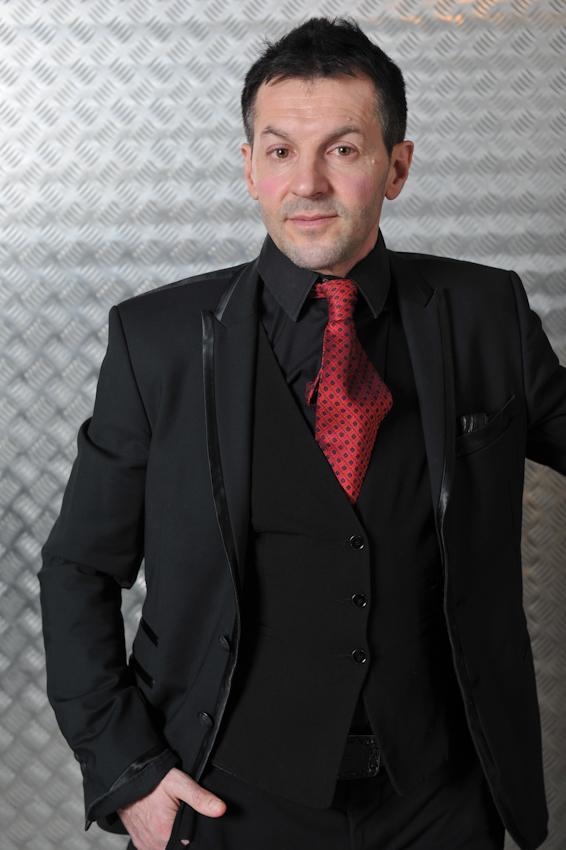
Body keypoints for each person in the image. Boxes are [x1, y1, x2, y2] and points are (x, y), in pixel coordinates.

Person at [39, 16, 566, 850]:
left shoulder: (485, 315)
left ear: (397, 167)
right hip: (227, 800)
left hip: (441, 802)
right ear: (250, 167)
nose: (309, 183)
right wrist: (128, 769)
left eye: (343, 150)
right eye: (281, 151)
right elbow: (78, 567)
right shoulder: (157, 340)